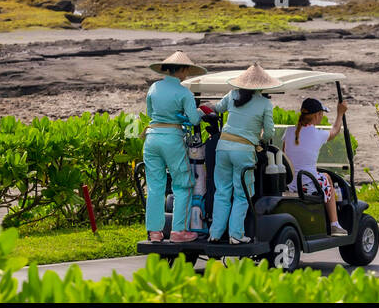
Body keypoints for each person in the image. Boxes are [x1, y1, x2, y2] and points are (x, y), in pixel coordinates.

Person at [208, 62, 281, 244]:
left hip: (223, 148)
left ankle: (215, 234)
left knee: (222, 191)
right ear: (262, 86)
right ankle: (236, 234)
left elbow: (217, 108)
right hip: (244, 150)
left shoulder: (232, 94)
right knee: (242, 193)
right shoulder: (265, 103)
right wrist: (260, 138)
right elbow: (270, 132)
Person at [143, 51, 206, 243]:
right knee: (182, 185)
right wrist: (200, 112)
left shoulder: (154, 87)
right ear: (182, 70)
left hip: (152, 137)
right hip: (172, 139)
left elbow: (150, 112)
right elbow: (194, 119)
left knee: (155, 186)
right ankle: (179, 231)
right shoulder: (183, 92)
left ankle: (155, 232)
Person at [281, 97, 350, 236]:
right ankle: (334, 224)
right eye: (321, 114)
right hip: (307, 184)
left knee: (319, 175)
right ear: (317, 115)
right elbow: (335, 130)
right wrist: (340, 113)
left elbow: (285, 156)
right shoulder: (318, 134)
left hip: (290, 184)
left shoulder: (289, 132)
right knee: (327, 178)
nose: (322, 117)